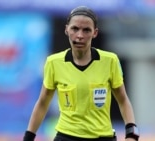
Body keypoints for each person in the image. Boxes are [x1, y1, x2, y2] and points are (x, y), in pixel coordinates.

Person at [23, 6, 140, 141]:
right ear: (66, 29)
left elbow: (123, 99)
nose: (80, 35)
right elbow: (43, 102)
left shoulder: (110, 61)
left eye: (86, 30)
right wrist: (28, 137)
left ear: (95, 33)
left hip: (102, 137)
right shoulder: (53, 62)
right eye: (75, 29)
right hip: (66, 137)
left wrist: (132, 133)